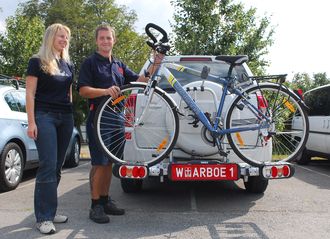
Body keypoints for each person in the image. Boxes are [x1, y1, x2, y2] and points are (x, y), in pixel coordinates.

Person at [78, 24, 164, 224]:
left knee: (110, 162)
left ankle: (105, 200)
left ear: (114, 40)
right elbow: (83, 90)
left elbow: (140, 80)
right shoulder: (90, 63)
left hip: (117, 117)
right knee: (99, 163)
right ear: (97, 41)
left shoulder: (118, 64)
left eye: (109, 38)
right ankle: (95, 205)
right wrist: (105, 91)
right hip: (98, 118)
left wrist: (156, 62)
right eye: (102, 38)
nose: (106, 41)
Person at [26, 23, 74, 234]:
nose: (64, 40)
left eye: (66, 37)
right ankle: (43, 218)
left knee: (57, 166)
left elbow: (69, 92)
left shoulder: (66, 63)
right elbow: (29, 93)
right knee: (47, 164)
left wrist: (70, 112)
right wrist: (32, 122)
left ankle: (51, 212)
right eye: (60, 36)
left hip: (66, 117)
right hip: (44, 116)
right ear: (50, 37)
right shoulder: (37, 61)